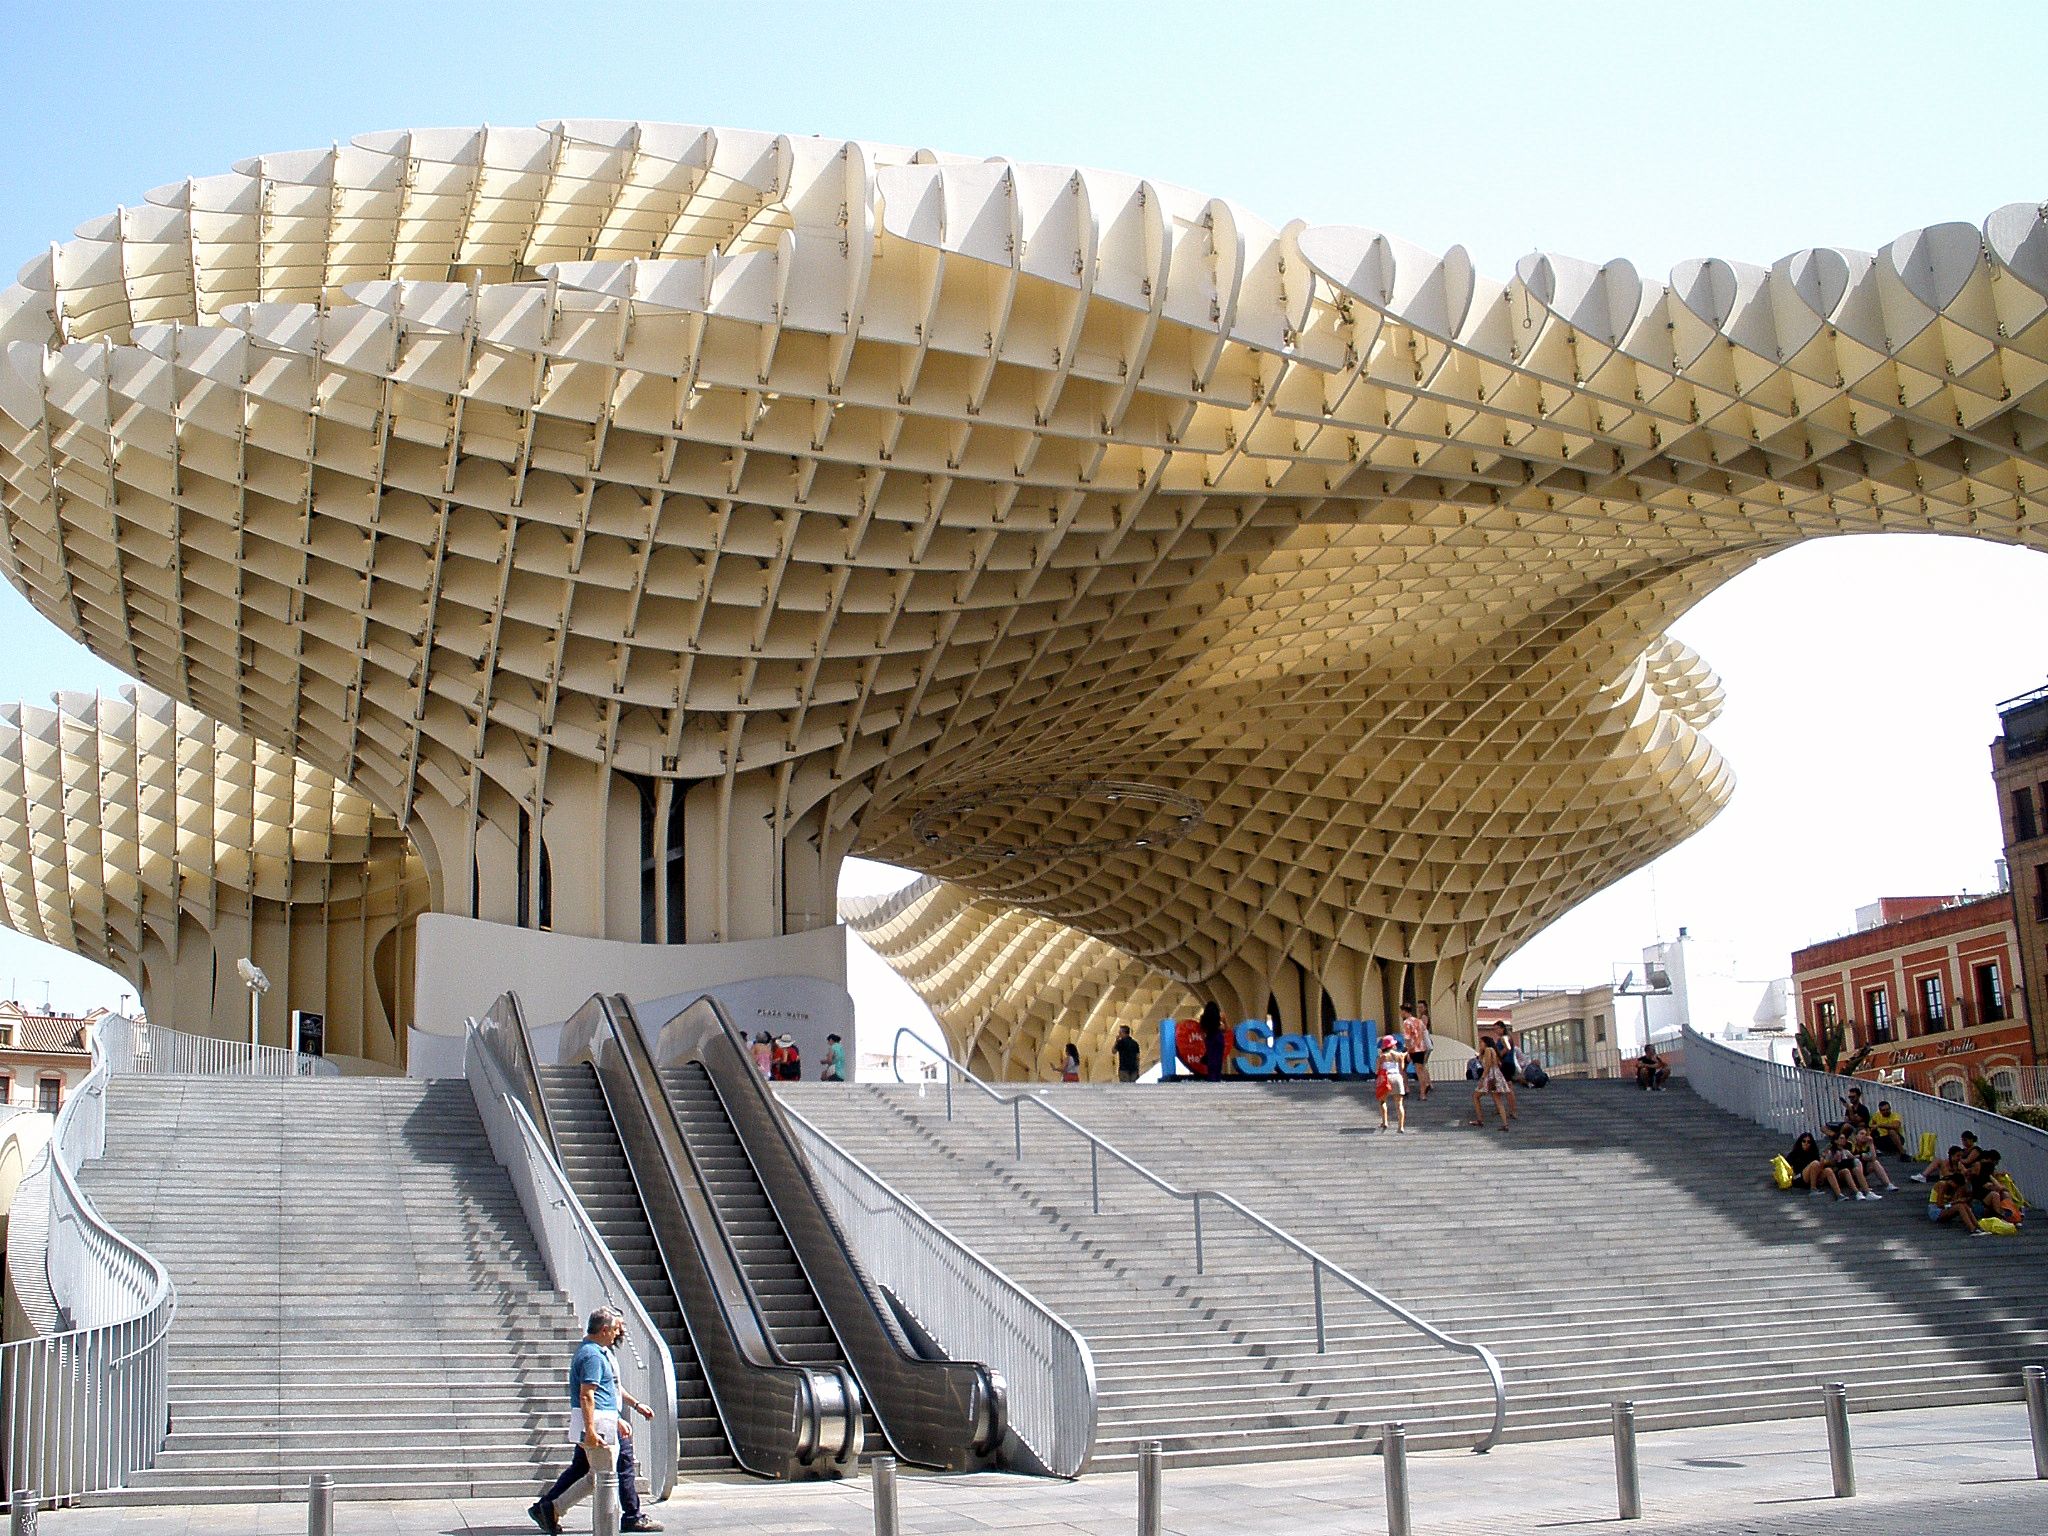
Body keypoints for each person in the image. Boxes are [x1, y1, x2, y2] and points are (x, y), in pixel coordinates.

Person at [530, 1307, 663, 1534]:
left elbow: (609, 1389)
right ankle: (553, 1508)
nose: (616, 1335)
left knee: (591, 1472)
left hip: (603, 1421)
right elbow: (588, 1394)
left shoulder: (596, 1352)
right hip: (601, 1426)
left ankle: (548, 1507)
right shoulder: (592, 1355)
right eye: (614, 1330)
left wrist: (633, 1406)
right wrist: (593, 1429)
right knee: (602, 1476)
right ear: (603, 1330)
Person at [1470, 1034, 1511, 1131]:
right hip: (1495, 1076)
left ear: (1486, 1042)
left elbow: (1487, 1066)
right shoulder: (1492, 1050)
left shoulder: (1488, 1050)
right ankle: (1505, 1124)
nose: (1480, 1044)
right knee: (1497, 1100)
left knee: (1476, 1096)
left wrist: (1482, 1079)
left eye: (1481, 1042)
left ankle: (1480, 1119)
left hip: (1490, 1077)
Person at [1786, 1131, 1845, 1198]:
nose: (1806, 1143)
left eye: (1808, 1142)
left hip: (1812, 1177)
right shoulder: (1794, 1153)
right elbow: (1786, 1165)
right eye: (1804, 1141)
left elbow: (1819, 1167)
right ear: (1800, 1142)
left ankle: (1839, 1194)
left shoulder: (1813, 1153)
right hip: (1799, 1177)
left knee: (1828, 1170)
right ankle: (1813, 1189)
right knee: (1815, 1163)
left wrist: (1823, 1159)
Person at [1377, 1029, 1409, 1133]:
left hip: (1386, 1078)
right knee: (1399, 1104)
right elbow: (1402, 1068)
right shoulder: (1399, 1055)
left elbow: (1377, 1070)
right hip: (1397, 1077)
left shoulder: (1382, 1057)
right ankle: (1400, 1127)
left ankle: (1385, 1121)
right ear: (1393, 1045)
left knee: (1382, 1101)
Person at [1848, 1124, 1896, 1193]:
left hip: (1863, 1168)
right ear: (1855, 1135)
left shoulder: (1866, 1145)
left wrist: (1871, 1144)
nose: (1864, 1136)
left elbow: (1873, 1158)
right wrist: (1862, 1156)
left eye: (1865, 1134)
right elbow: (1852, 1157)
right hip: (1852, 1170)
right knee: (1857, 1161)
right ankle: (1863, 1186)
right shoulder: (1850, 1144)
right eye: (1861, 1134)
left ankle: (1888, 1184)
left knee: (1875, 1163)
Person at [1399, 1005, 1433, 1099]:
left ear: (1405, 1012)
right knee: (1420, 1070)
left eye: (1401, 1012)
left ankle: (1406, 1088)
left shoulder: (1406, 1022)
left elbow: (1408, 1038)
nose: (1401, 1014)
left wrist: (1409, 1051)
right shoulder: (1419, 1021)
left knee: (1402, 1068)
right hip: (1421, 1048)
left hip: (1412, 1049)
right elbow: (1422, 1034)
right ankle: (1423, 1094)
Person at [1198, 1001, 1227, 1082]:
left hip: (1209, 1038)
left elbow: (1202, 1030)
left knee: (1211, 1058)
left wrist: (1204, 1039)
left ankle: (1211, 1077)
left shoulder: (1204, 1018)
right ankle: (1217, 1077)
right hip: (1218, 1037)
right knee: (1218, 1058)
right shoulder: (1218, 1017)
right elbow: (1225, 1029)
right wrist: (1224, 1021)